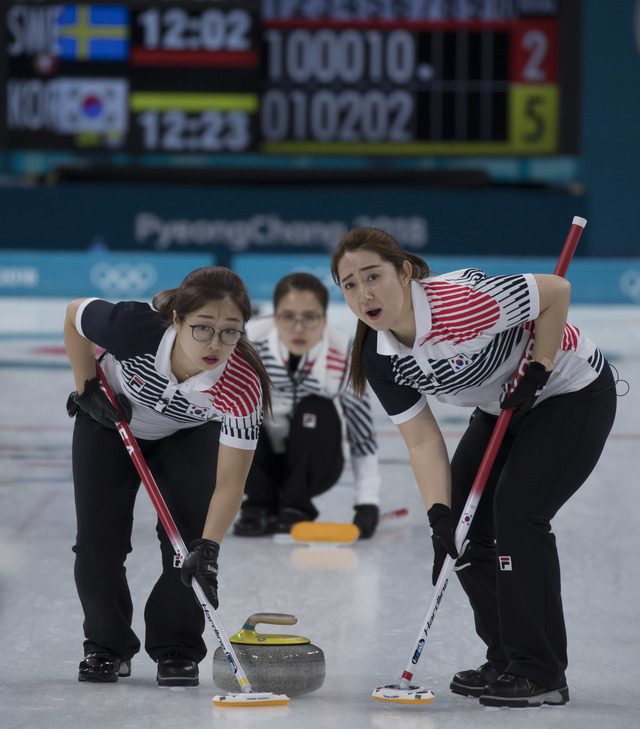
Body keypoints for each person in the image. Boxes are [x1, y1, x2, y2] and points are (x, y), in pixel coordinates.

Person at [330, 227, 617, 708]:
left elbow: (556, 290)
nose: (364, 294)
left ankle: (540, 670)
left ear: (404, 272)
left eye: (373, 276)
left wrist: (541, 365)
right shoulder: (379, 357)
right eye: (350, 284)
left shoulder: (461, 303)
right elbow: (422, 440)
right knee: (463, 533)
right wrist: (439, 517)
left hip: (570, 390)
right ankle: (507, 656)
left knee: (518, 514)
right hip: (500, 406)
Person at [64, 266, 271, 687]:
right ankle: (106, 647)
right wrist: (87, 391)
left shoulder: (242, 386)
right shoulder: (135, 327)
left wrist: (208, 550)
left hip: (187, 434)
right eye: (202, 328)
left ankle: (176, 647)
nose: (216, 344)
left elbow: (231, 483)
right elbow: (73, 315)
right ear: (176, 319)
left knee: (187, 547)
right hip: (110, 424)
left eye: (231, 331)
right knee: (97, 546)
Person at [232, 272, 381, 538]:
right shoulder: (249, 353)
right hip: (256, 460)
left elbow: (363, 436)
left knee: (316, 408)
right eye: (288, 317)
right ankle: (258, 504)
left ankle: (295, 506)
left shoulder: (342, 360)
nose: (298, 328)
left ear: (324, 320)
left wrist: (366, 502)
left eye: (309, 317)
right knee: (238, 413)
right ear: (275, 317)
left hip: (315, 468)